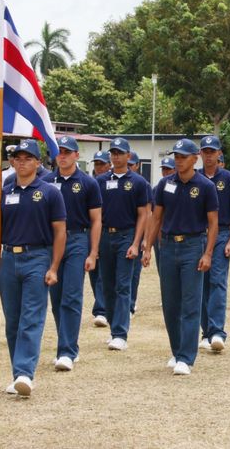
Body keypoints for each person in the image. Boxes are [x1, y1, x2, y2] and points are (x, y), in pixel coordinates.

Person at [0, 139, 66, 397]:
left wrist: (54, 267)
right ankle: (17, 373)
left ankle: (25, 373)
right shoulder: (3, 192)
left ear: (38, 162)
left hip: (37, 257)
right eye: (18, 158)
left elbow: (60, 231)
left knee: (31, 317)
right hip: (9, 258)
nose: (22, 163)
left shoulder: (50, 192)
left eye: (28, 158)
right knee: (13, 320)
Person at [143, 138, 218, 376]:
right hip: (167, 246)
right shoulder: (164, 184)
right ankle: (176, 351)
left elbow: (213, 223)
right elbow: (156, 217)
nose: (178, 160)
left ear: (195, 159)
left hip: (193, 246)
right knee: (170, 304)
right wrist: (147, 247)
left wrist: (208, 253)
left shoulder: (205, 186)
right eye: (176, 156)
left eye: (183, 157)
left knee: (191, 303)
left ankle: (186, 357)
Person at [42, 136, 102, 371]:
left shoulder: (88, 183)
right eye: (59, 152)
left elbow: (96, 220)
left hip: (77, 239)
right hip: (51, 242)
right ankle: (65, 342)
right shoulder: (46, 182)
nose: (63, 156)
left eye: (67, 152)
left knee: (72, 296)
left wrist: (93, 252)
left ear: (77, 155)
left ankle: (67, 350)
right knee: (56, 298)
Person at [96, 138, 149, 351]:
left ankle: (120, 333)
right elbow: (95, 214)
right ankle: (113, 327)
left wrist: (137, 243)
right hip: (105, 236)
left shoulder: (138, 182)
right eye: (113, 153)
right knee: (107, 285)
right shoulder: (100, 181)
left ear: (128, 156)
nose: (116, 156)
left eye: (120, 153)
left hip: (127, 235)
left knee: (123, 285)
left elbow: (143, 214)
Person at [197, 136, 230, 353]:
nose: (208, 155)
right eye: (205, 151)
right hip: (198, 235)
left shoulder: (229, 178)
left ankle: (217, 331)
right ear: (200, 154)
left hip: (222, 234)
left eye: (212, 151)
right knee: (201, 284)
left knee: (217, 282)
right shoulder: (194, 178)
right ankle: (206, 331)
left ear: (219, 154)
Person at [88, 150, 111, 328]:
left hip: (108, 232)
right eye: (96, 164)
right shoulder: (90, 184)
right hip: (91, 232)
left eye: (102, 164)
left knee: (104, 273)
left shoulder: (110, 182)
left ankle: (101, 310)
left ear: (108, 165)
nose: (99, 167)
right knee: (94, 273)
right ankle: (103, 305)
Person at [128, 151, 151, 317]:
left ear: (137, 166)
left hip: (136, 233)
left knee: (134, 273)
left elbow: (148, 214)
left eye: (131, 164)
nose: (129, 167)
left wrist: (146, 239)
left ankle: (130, 303)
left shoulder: (143, 184)